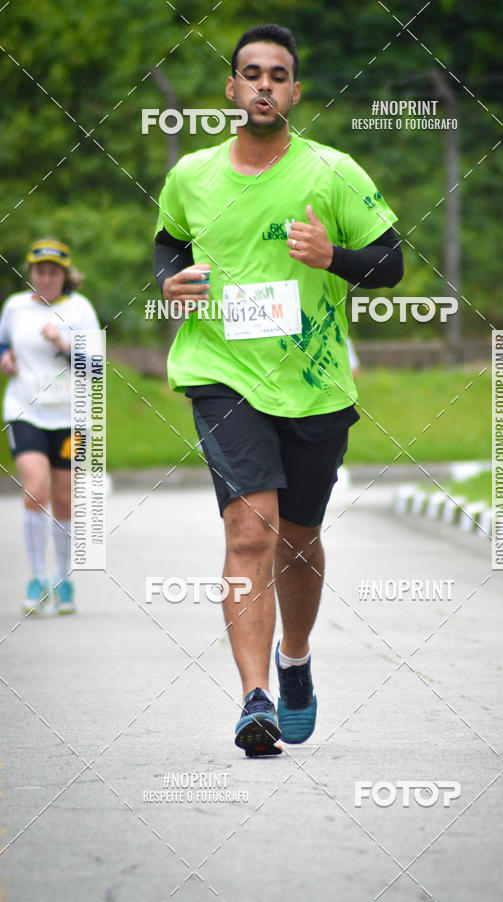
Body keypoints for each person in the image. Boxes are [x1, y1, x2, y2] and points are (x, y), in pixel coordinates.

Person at [153, 23, 403, 756]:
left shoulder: (332, 172)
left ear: (295, 91)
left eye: (278, 75)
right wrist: (170, 280)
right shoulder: (192, 174)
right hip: (221, 373)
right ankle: (253, 697)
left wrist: (336, 256)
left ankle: (295, 660)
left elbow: (389, 263)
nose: (264, 85)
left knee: (297, 539)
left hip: (313, 385)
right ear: (231, 88)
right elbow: (169, 240)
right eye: (250, 74)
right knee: (248, 530)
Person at [0, 238, 100, 615]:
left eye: (53, 271)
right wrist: (5, 359)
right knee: (35, 490)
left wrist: (64, 343)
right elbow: (3, 345)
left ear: (65, 275)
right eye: (40, 271)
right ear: (30, 274)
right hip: (25, 411)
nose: (46, 277)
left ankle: (63, 579)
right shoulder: (14, 308)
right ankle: (37, 577)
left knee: (64, 501)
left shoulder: (80, 309)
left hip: (71, 417)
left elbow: (96, 369)